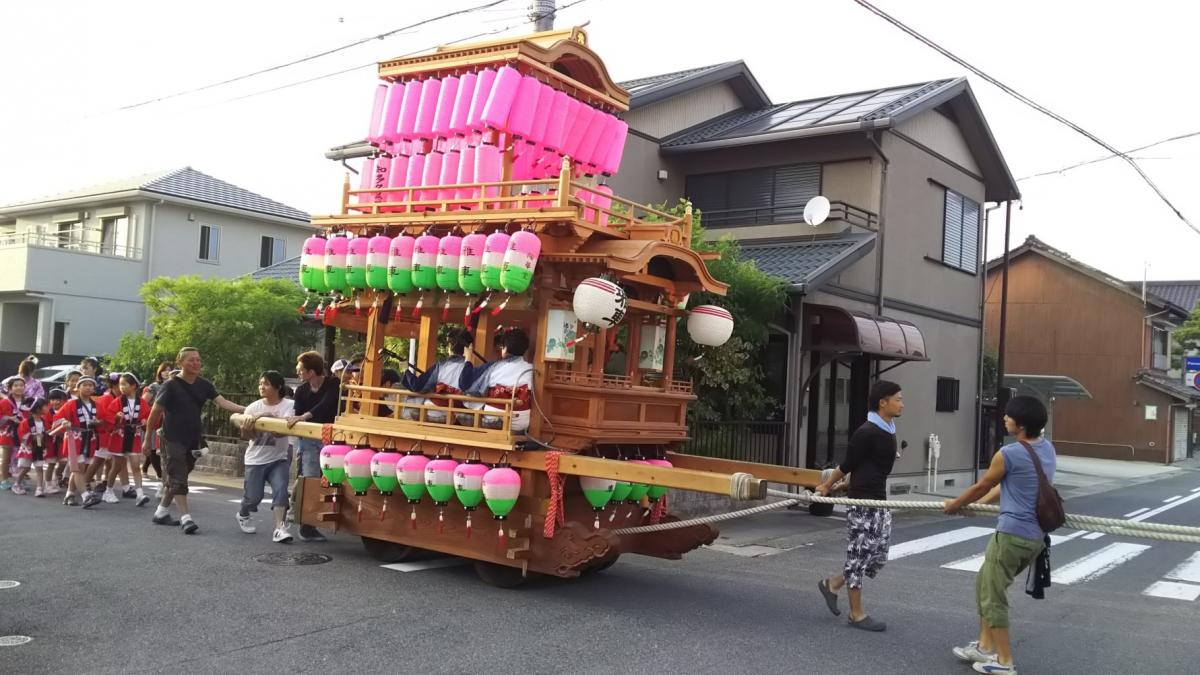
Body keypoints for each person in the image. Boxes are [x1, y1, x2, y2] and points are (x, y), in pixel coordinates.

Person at [944, 395, 1057, 675]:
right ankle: (985, 646)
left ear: (1019, 426)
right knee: (985, 581)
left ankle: (1004, 661)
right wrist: (977, 507)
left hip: (1011, 536)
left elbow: (983, 484)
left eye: (1008, 416)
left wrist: (955, 505)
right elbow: (1004, 486)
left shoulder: (1009, 454)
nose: (1004, 419)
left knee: (993, 596)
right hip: (1034, 538)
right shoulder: (1047, 449)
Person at [813, 379, 904, 632]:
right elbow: (848, 463)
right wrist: (828, 485)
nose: (901, 403)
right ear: (882, 402)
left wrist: (843, 485)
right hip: (863, 502)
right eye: (897, 399)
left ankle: (832, 584)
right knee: (859, 555)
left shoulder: (887, 428)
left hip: (878, 500)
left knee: (877, 555)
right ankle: (856, 614)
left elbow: (866, 465)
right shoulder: (867, 431)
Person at [144, 347, 245, 534]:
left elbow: (222, 403)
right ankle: (186, 518)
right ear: (180, 362)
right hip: (171, 437)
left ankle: (161, 512)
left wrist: (248, 410)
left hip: (193, 438)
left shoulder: (204, 385)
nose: (196, 363)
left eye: (198, 360)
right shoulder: (170, 385)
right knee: (179, 477)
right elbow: (155, 412)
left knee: (179, 477)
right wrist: (146, 438)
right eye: (191, 360)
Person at [285, 351, 340, 542]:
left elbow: (327, 404)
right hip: (308, 441)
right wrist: (299, 418)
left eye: (300, 369)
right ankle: (307, 526)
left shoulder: (333, 384)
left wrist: (303, 417)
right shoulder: (301, 391)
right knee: (310, 479)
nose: (298, 372)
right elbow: (296, 414)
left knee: (333, 480)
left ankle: (324, 518)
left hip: (333, 441)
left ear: (311, 371)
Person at [237, 371, 295, 543]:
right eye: (260, 383)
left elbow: (280, 433)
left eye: (266, 384)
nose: (262, 387)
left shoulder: (289, 405)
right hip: (256, 459)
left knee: (281, 490)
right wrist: (247, 428)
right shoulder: (253, 407)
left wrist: (268, 417)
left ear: (278, 387)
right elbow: (246, 436)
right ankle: (243, 513)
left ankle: (279, 528)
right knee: (253, 497)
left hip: (279, 457)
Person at [461, 328, 533, 431]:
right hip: (521, 423)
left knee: (471, 396)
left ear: (505, 348)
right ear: (525, 350)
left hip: (493, 417)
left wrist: (468, 358)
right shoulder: (531, 369)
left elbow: (465, 383)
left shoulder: (493, 367)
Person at [51, 376, 105, 508]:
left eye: (90, 385)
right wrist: (65, 422)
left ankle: (69, 494)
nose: (88, 387)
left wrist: (98, 422)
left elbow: (104, 421)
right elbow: (56, 420)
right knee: (77, 467)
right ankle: (86, 496)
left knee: (80, 468)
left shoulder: (97, 404)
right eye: (85, 385)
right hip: (74, 438)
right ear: (78, 387)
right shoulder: (71, 404)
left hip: (89, 438)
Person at [402, 328, 475, 422]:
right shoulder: (470, 369)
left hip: (433, 412)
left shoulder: (441, 366)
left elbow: (417, 385)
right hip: (456, 417)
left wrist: (405, 370)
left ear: (449, 346)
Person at [101, 373, 151, 507]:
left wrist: (145, 421)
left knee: (135, 465)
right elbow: (109, 419)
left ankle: (140, 494)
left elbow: (147, 417)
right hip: (120, 436)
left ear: (134, 386)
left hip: (134, 436)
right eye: (120, 384)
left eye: (124, 384)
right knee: (116, 466)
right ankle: (108, 491)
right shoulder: (117, 401)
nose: (121, 387)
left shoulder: (142, 402)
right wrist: (117, 418)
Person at [14, 397, 52, 497]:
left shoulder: (44, 421)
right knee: (25, 468)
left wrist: (46, 434)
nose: (48, 408)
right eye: (45, 406)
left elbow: (46, 432)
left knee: (39, 468)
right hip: (29, 448)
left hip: (39, 447)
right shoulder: (26, 422)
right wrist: (33, 436)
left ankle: (39, 488)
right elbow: (22, 435)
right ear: (38, 408)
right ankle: (17, 484)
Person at [1, 376, 28, 491]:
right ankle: (4, 479)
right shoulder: (4, 402)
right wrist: (8, 418)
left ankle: (20, 480)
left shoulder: (28, 402)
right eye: (16, 386)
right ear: (10, 389)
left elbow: (32, 416)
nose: (19, 388)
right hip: (7, 432)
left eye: (21, 385)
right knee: (6, 457)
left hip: (22, 433)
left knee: (22, 457)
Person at [45, 388, 68, 494]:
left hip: (63, 441)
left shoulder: (66, 411)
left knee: (63, 462)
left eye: (57, 399)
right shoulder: (47, 412)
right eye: (52, 399)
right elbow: (45, 427)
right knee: (51, 463)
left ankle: (56, 477)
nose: (55, 402)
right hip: (51, 441)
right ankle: (48, 484)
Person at [140, 383, 163, 480]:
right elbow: (143, 402)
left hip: (162, 422)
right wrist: (143, 418)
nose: (167, 372)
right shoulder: (154, 386)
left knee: (154, 450)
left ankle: (144, 468)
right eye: (165, 370)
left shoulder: (174, 386)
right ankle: (160, 474)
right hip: (150, 421)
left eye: (169, 370)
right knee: (153, 450)